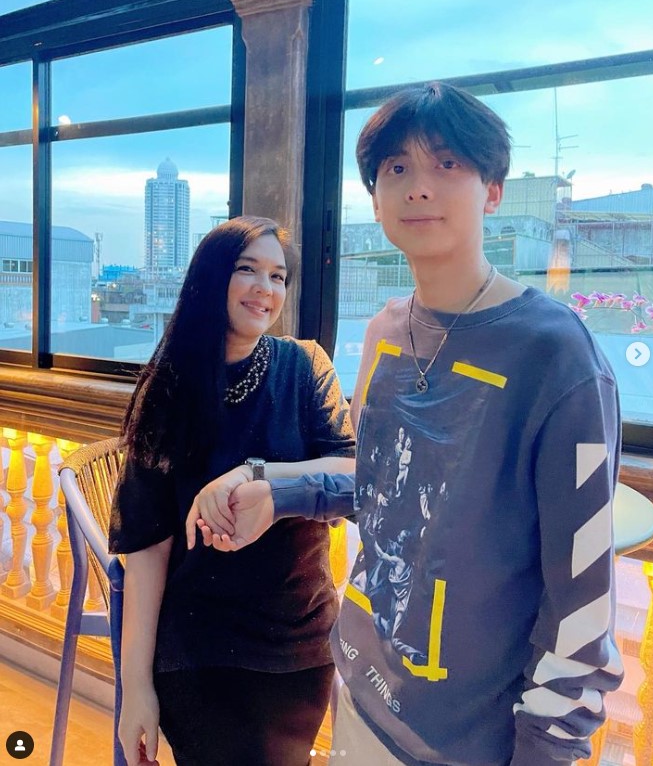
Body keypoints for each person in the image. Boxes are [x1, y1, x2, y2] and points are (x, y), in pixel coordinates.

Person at [206, 84, 624, 765]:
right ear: (375, 199)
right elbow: (380, 487)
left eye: (447, 164)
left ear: (492, 190)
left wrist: (545, 752)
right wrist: (275, 491)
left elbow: (580, 597)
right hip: (360, 684)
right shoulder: (384, 332)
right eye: (396, 167)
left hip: (468, 737)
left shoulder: (557, 355)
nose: (418, 187)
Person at [108, 215, 355, 766]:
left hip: (296, 639)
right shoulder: (168, 387)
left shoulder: (305, 366)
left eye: (278, 276)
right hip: (199, 643)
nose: (265, 289)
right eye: (248, 270)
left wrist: (255, 474)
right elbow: (146, 552)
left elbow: (350, 473)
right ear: (212, 277)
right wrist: (136, 688)